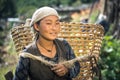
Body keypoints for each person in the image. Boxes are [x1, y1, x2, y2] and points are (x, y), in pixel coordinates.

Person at [13, 6, 80, 80]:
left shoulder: (64, 45)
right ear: (36, 26)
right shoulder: (27, 55)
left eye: (57, 23)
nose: (54, 28)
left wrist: (67, 70)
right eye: (48, 23)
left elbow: (77, 67)